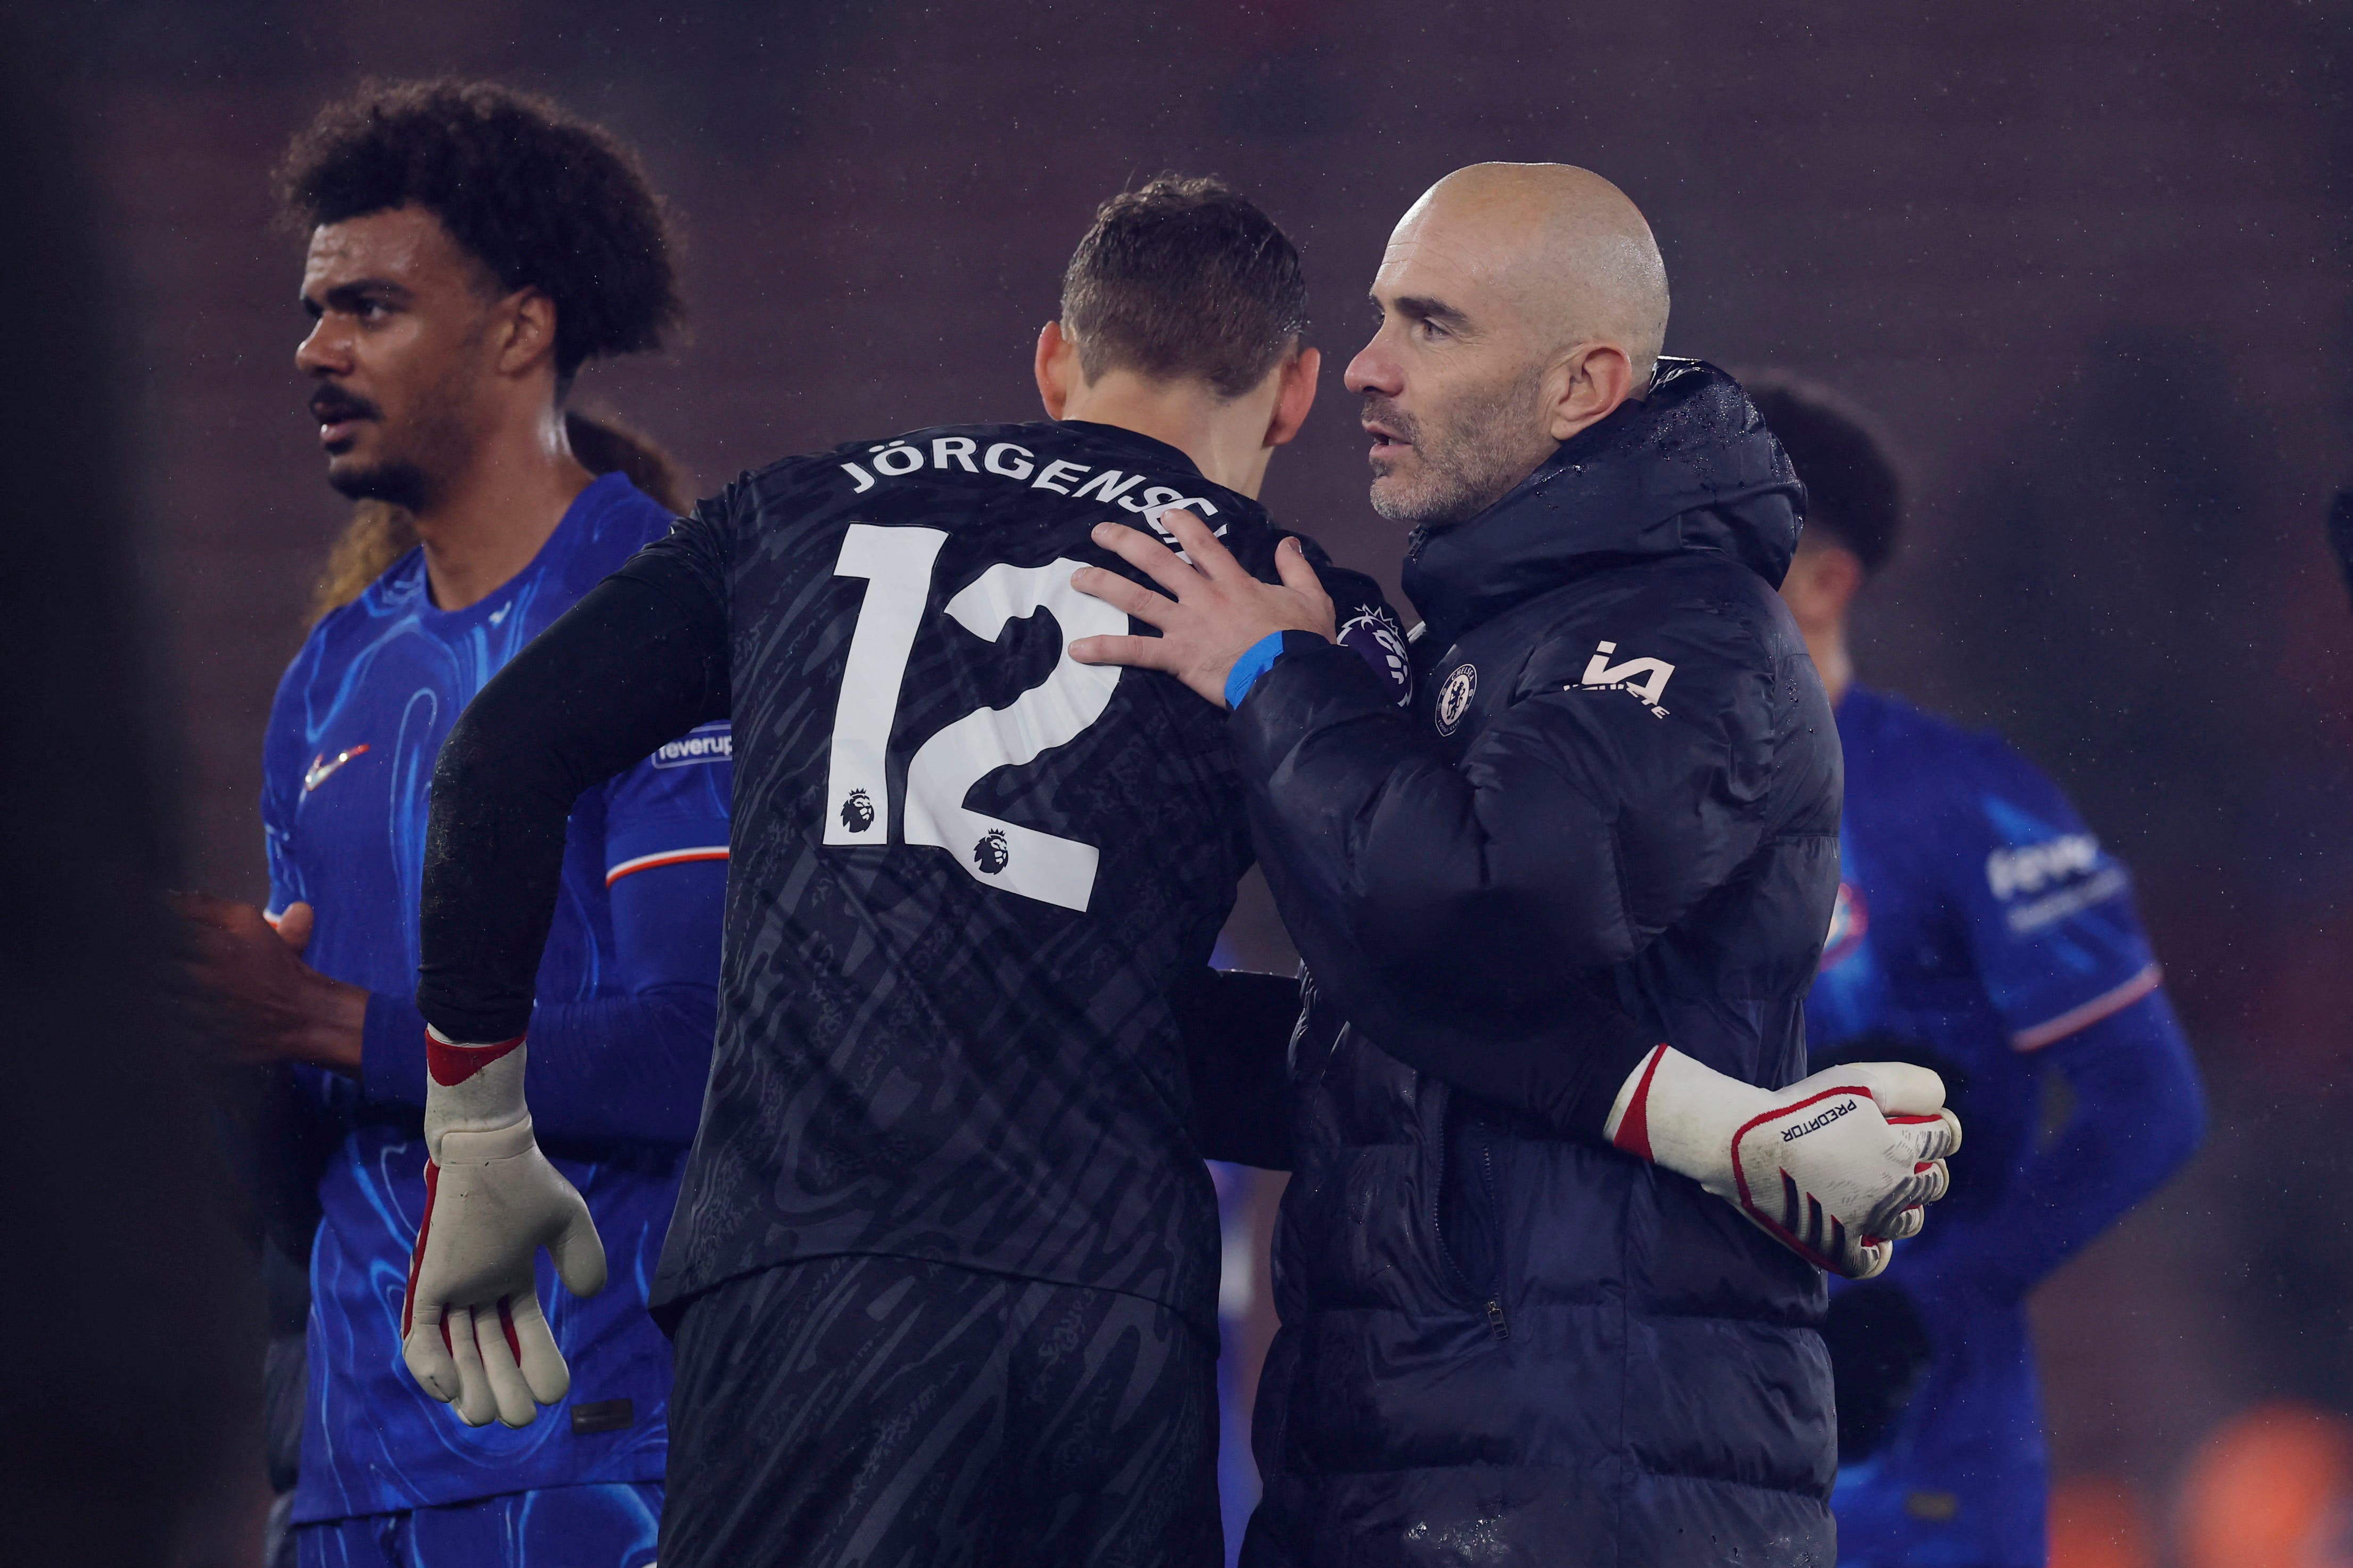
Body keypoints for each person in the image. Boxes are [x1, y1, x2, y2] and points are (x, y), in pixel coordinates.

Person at [397, 175, 1418, 1568]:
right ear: (1293, 392)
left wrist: (477, 1131)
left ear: (1056, 357)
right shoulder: (1296, 598)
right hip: (1105, 1315)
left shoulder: (793, 514)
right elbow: (1419, 961)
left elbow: (498, 758)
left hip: (806, 1291)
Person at [1066, 162, 1964, 1565]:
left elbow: (1479, 910)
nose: (1363, 366)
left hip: (1590, 1491)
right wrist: (1031, 1020)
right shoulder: (1489, 644)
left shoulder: (1692, 633)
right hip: (1403, 1467)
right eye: (1377, 319)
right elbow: (1394, 1053)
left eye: (1427, 325)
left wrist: (1272, 677)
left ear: (1578, 383)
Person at [178, 80, 729, 1568]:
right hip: (357, 1470)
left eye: (368, 307)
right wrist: (222, 1047)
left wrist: (319, 1018)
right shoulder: (332, 672)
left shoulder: (672, 620)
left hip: (595, 1463)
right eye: (311, 309)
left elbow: (704, 1048)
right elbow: (307, 1155)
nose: (314, 348)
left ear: (517, 328)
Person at [1750, 375, 2206, 1567]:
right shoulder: (1615, 802)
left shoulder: (1966, 803)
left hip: (1914, 1469)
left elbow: (2144, 1101)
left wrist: (1930, 1303)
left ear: (1821, 580)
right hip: (1672, 1433)